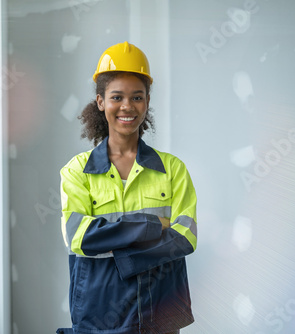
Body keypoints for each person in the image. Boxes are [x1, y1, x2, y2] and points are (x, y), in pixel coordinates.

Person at [57, 42, 198, 334]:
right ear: (100, 102)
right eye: (116, 97)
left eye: (137, 97)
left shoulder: (172, 169)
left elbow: (185, 237)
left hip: (158, 312)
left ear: (146, 102)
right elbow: (79, 237)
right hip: (98, 312)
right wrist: (153, 225)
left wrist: (120, 253)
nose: (127, 106)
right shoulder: (77, 171)